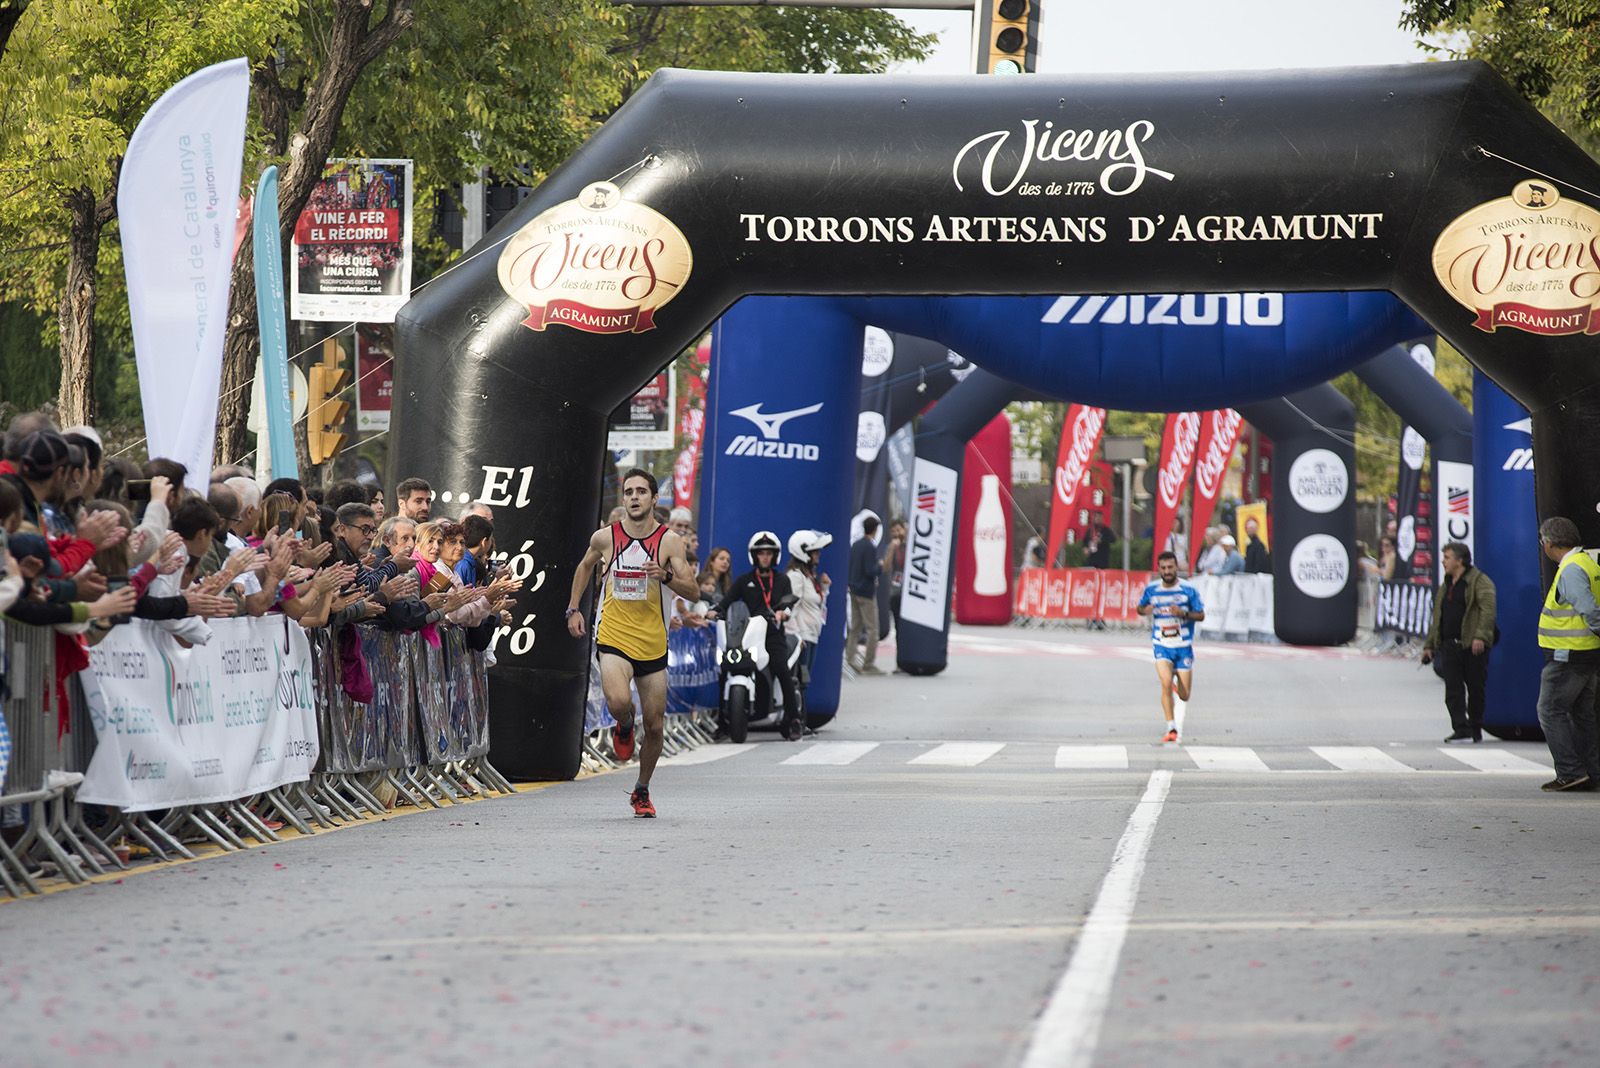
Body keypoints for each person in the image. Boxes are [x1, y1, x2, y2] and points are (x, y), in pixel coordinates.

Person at [566, 469, 699, 818]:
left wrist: (665, 576)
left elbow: (693, 591)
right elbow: (583, 568)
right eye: (629, 492)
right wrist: (573, 609)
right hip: (613, 634)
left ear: (655, 498)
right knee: (619, 700)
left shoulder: (670, 542)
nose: (634, 497)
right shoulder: (605, 537)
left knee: (655, 725)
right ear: (623, 499)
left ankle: (641, 789)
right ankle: (624, 725)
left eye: (642, 492)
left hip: (654, 641)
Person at [708, 531, 805, 741]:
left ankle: (794, 719)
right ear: (754, 555)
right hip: (748, 634)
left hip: (773, 635)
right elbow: (727, 602)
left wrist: (782, 613)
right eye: (761, 553)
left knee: (781, 669)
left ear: (775, 556)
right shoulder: (744, 581)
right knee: (725, 667)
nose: (765, 557)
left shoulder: (782, 580)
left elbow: (788, 604)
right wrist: (715, 611)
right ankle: (723, 722)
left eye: (769, 553)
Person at [1532, 517, 1600, 792]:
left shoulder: (1570, 569)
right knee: (1583, 715)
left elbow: (1589, 610)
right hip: (1585, 655)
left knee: (1549, 710)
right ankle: (1593, 771)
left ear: (1549, 543)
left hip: (1568, 657)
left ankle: (1570, 772)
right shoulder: (1587, 563)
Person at [1421, 542, 1497, 744]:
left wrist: (1480, 636)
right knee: (1453, 690)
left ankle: (1475, 727)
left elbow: (1488, 610)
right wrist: (1429, 645)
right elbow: (1438, 616)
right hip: (1449, 645)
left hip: (1472, 645)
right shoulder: (1446, 584)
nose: (1443, 561)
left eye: (1447, 557)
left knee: (1475, 688)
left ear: (1459, 560)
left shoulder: (1480, 581)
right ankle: (1460, 728)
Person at [1136, 550, 1206, 744]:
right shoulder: (1152, 590)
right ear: (1158, 569)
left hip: (1183, 646)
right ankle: (1171, 727)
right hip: (1161, 645)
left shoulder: (1188, 590)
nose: (1167, 571)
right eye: (1163, 568)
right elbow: (1139, 608)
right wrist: (1145, 610)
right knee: (1165, 683)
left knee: (1184, 696)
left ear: (1176, 568)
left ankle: (1177, 684)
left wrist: (1183, 613)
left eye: (1170, 567)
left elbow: (1200, 615)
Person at [786, 529, 832, 718]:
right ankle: (796, 719)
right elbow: (792, 606)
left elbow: (818, 607)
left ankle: (801, 719)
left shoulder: (809, 577)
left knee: (805, 680)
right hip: (802, 636)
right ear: (803, 552)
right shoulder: (796, 576)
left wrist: (826, 588)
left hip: (812, 633)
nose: (818, 555)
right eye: (814, 552)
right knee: (799, 679)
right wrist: (796, 635)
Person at [847, 515, 891, 674]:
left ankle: (850, 658)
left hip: (854, 590)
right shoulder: (870, 547)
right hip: (866, 591)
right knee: (873, 629)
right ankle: (869, 663)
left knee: (855, 627)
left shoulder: (856, 545)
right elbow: (870, 570)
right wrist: (879, 566)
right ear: (875, 529)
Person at [1084, 515, 1116, 630]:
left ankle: (1101, 619)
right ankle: (1090, 618)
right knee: (1092, 594)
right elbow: (1084, 543)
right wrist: (1086, 549)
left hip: (1102, 565)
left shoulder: (1106, 530)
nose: (1097, 520)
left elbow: (1113, 539)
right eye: (1096, 518)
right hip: (1091, 565)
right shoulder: (1090, 531)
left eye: (1099, 518)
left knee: (1101, 593)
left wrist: (1101, 540)